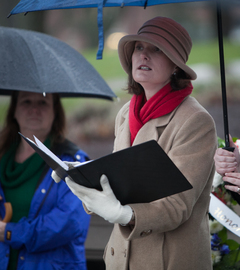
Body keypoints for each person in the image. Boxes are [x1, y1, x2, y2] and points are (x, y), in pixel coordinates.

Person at [52, 16, 217, 270]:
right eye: (139, 47)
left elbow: (177, 206)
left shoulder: (196, 122)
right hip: (120, 260)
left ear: (176, 66)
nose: (144, 55)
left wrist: (124, 215)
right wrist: (83, 174)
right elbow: (122, 176)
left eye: (157, 49)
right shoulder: (126, 113)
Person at [0, 91, 91, 270]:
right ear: (14, 111)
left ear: (55, 111)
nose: (34, 109)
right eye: (26, 102)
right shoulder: (2, 157)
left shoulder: (73, 162)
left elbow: (71, 223)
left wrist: (10, 232)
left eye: (42, 103)